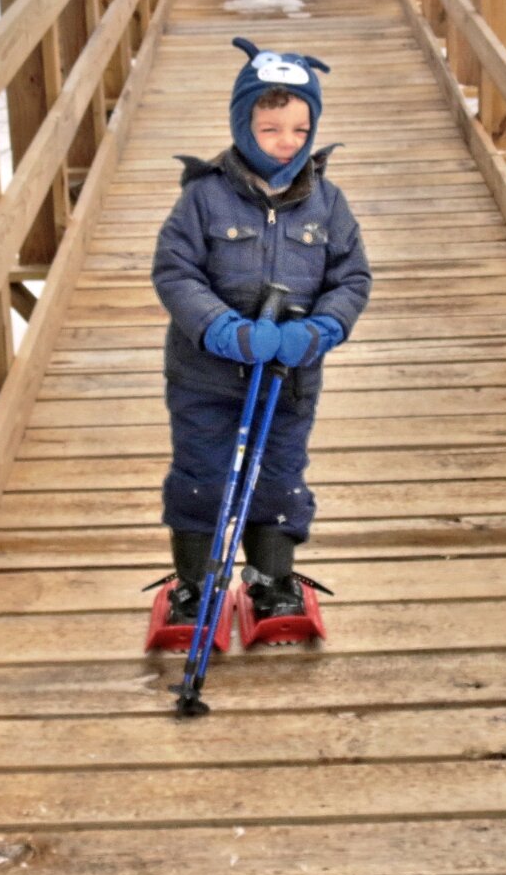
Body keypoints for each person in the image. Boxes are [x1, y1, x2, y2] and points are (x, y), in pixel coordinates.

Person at [150, 36, 372, 627]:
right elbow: (175, 271)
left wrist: (321, 329)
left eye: (301, 129)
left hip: (287, 378)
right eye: (271, 129)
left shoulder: (328, 204)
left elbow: (351, 277)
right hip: (205, 376)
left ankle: (273, 579)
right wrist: (219, 327)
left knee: (278, 476)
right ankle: (194, 585)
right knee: (201, 474)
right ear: (242, 124)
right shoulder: (203, 198)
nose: (287, 141)